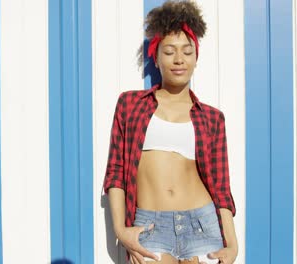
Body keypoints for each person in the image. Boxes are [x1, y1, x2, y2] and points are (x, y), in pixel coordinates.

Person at [103, 1, 238, 264]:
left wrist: (232, 244)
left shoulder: (212, 118)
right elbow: (116, 172)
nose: (179, 60)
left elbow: (221, 188)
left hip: (203, 225)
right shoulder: (130, 105)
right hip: (150, 226)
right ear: (156, 57)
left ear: (196, 58)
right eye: (169, 51)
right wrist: (121, 230)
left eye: (187, 52)